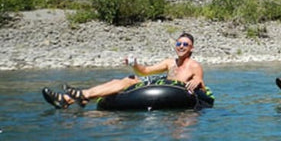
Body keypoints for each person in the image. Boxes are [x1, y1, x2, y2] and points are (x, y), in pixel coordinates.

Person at [42, 32, 205, 109]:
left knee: (125, 84)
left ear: (192, 48)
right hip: (162, 87)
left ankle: (76, 98)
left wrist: (197, 80)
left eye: (185, 45)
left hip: (179, 96)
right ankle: (69, 99)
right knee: (126, 80)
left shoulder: (194, 65)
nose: (181, 47)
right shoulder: (170, 62)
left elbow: (199, 84)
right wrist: (134, 64)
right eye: (179, 44)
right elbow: (145, 71)